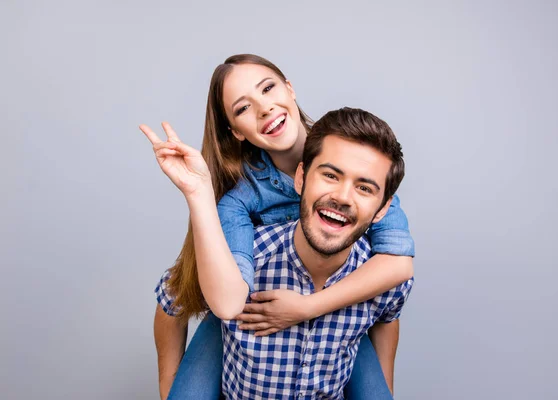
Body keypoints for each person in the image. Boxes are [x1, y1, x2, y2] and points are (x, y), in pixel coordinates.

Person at [140, 55, 415, 399]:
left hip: (338, 303)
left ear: (290, 88)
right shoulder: (242, 196)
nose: (265, 108)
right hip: (250, 306)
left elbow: (399, 263)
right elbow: (195, 295)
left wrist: (308, 307)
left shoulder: (353, 155)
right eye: (243, 108)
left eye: (268, 88)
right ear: (236, 131)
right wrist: (199, 194)